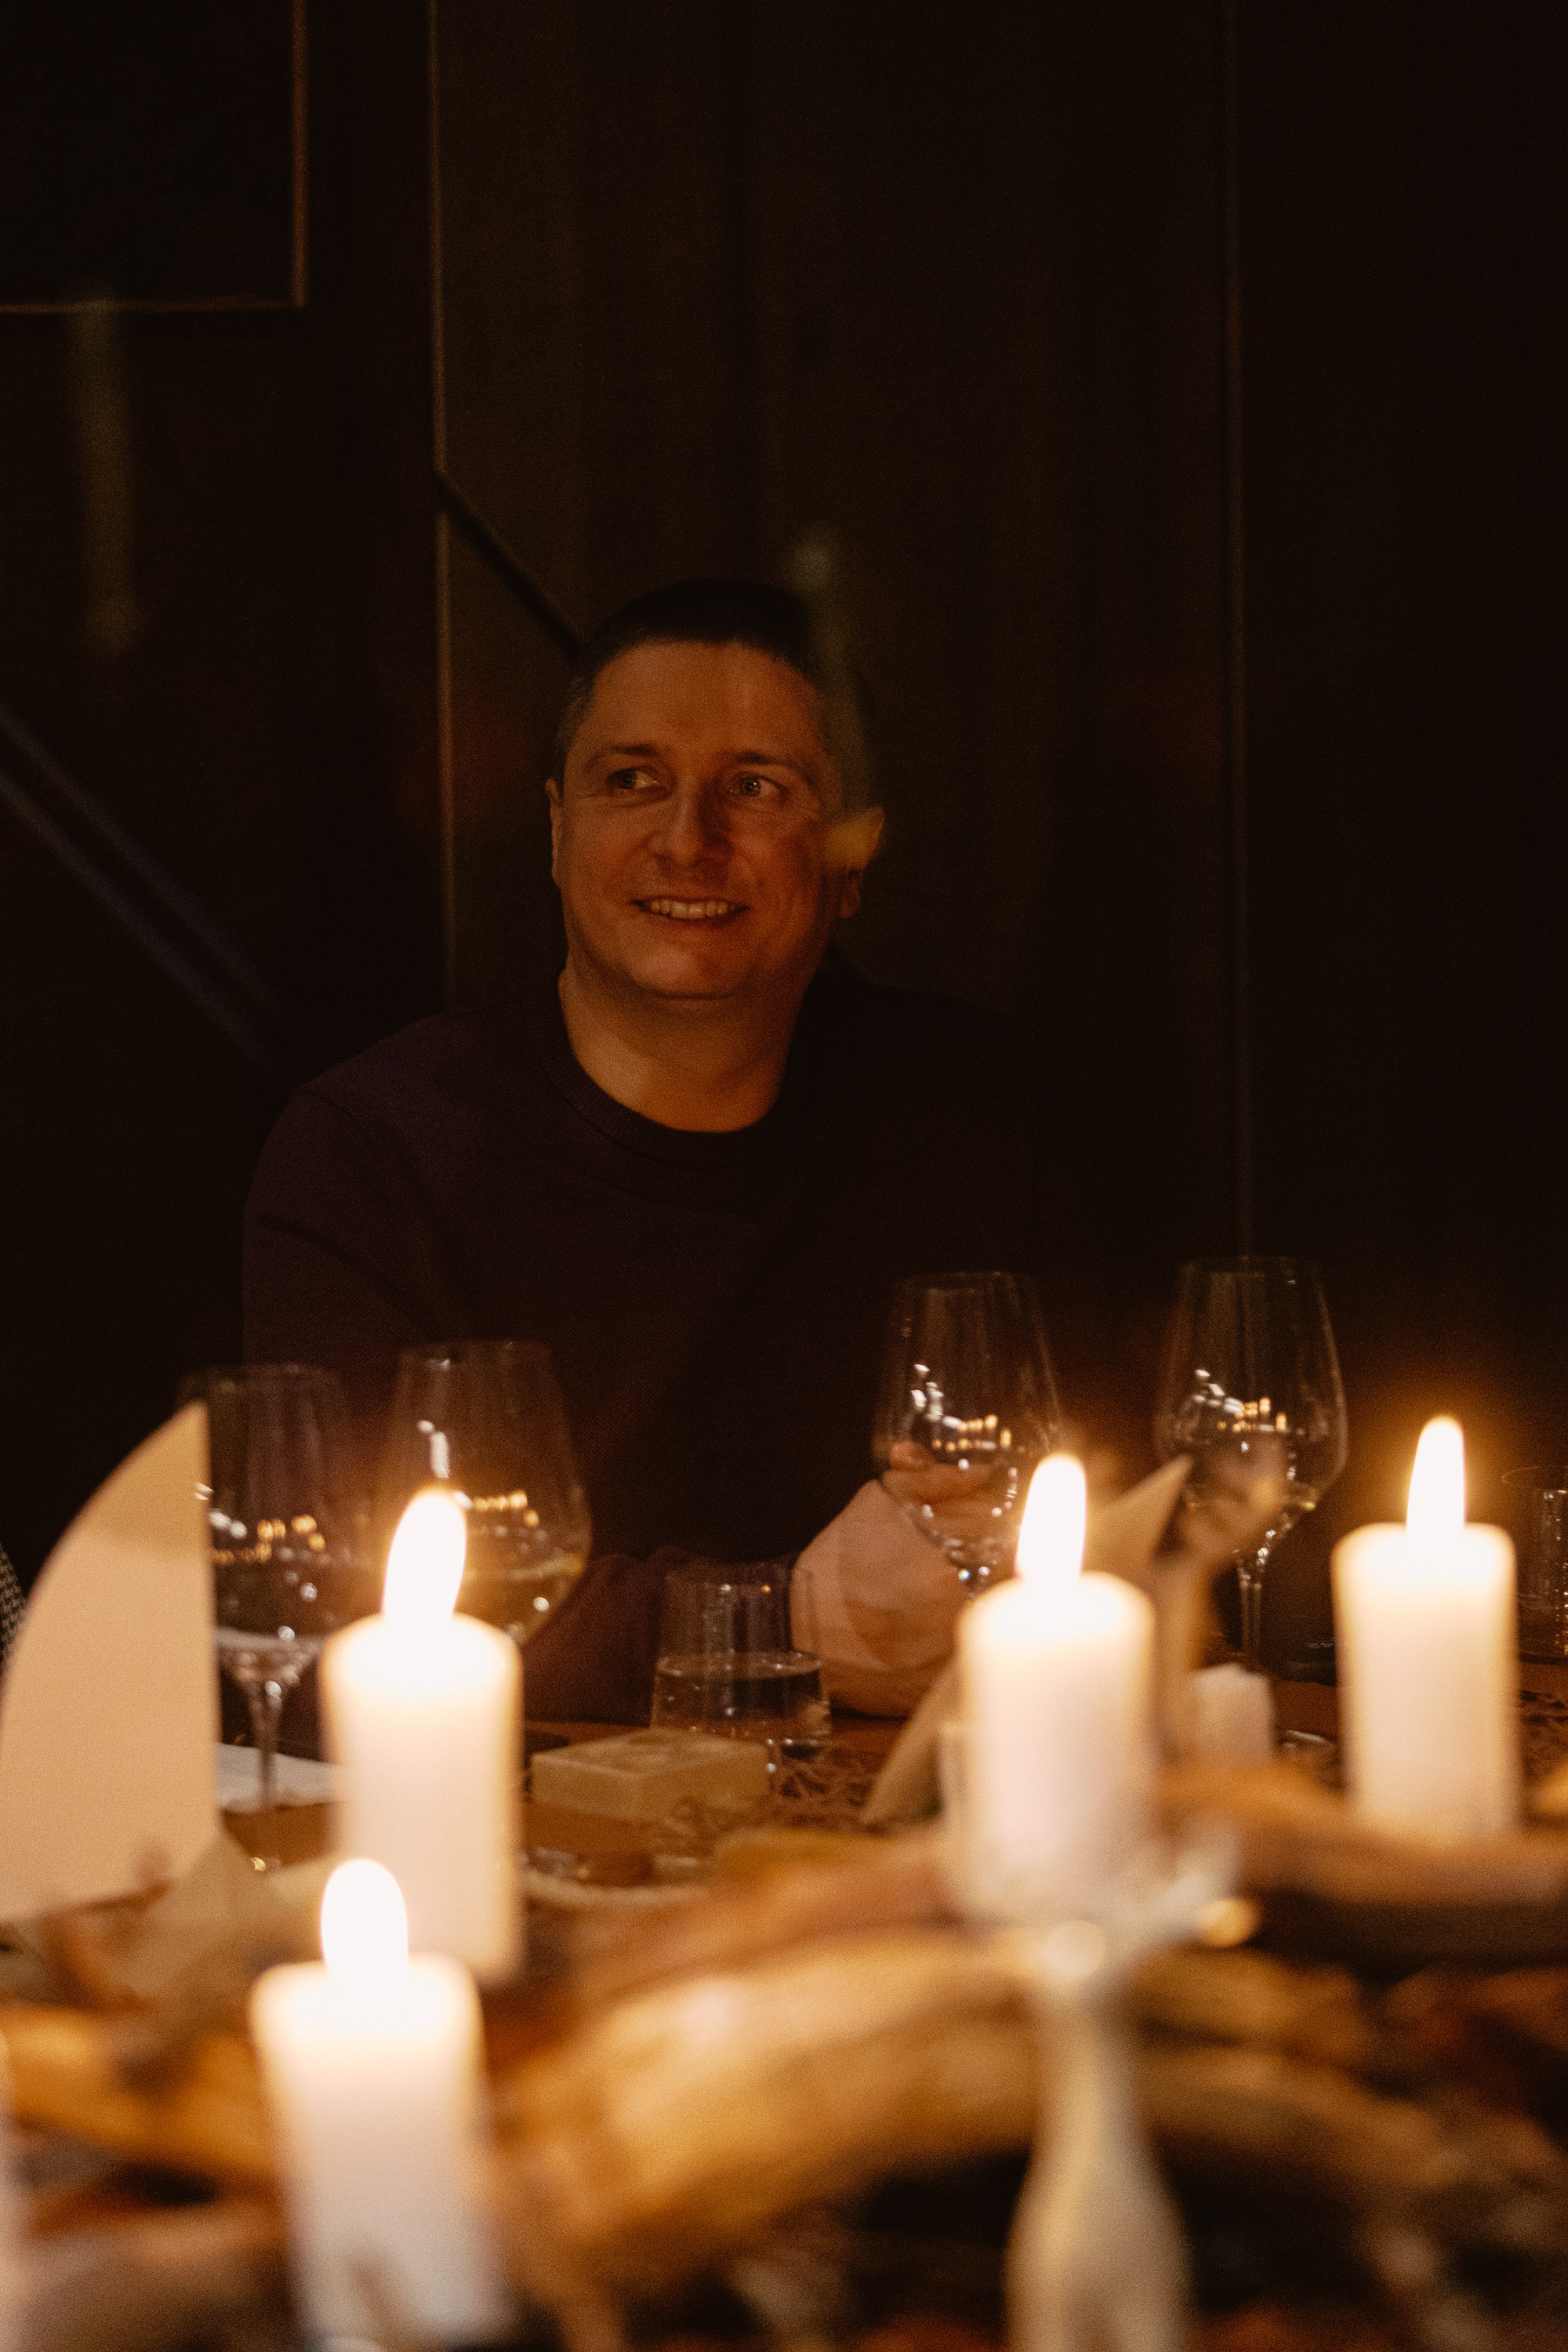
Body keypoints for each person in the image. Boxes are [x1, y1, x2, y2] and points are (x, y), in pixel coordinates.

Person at [245, 579, 1042, 1720]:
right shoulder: (373, 1154)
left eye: (755, 788)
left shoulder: (974, 1104)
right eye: (632, 781)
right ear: (558, 831)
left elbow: (1106, 1507)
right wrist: (781, 1623)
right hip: (523, 1809)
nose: (686, 840)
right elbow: (336, 1615)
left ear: (851, 856)